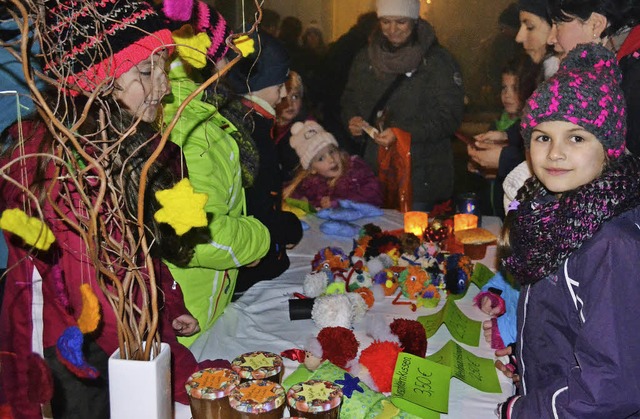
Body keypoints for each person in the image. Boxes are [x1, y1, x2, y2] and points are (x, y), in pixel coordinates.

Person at [0, 1, 217, 416]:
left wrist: (168, 307)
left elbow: (134, 257)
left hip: (116, 345)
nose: (166, 87)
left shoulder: (127, 150)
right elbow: (104, 299)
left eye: (164, 69)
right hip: (75, 360)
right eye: (147, 72)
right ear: (96, 78)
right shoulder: (68, 174)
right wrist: (172, 363)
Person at [495, 43, 640, 417]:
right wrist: (527, 356)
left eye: (576, 138)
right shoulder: (554, 214)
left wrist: (526, 410)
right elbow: (569, 321)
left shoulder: (611, 245)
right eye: (543, 137)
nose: (554, 153)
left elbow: (612, 383)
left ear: (609, 149)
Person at [160, 1, 271, 346]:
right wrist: (259, 239)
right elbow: (198, 237)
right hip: (188, 324)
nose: (230, 62)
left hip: (203, 308)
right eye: (224, 51)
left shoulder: (198, 112)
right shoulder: (190, 130)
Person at [341, 0, 464, 211]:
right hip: (373, 173)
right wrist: (351, 119)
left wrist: (403, 134)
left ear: (414, 21)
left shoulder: (437, 62)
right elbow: (350, 97)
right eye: (385, 22)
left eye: (401, 22)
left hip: (420, 174)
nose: (392, 30)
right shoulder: (366, 57)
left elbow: (449, 116)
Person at [227, 32, 303, 297]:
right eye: (278, 84)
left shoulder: (250, 122)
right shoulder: (252, 132)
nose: (283, 94)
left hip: (260, 260)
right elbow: (255, 204)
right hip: (254, 273)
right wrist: (287, 228)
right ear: (257, 84)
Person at [468, 0, 556, 214]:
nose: (519, 37)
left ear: (555, 27)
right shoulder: (546, 74)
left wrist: (503, 158)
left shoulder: (565, 82)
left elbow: (556, 154)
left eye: (530, 26)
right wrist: (508, 136)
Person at [546, 0, 640, 154]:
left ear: (596, 25)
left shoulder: (633, 78)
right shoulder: (620, 69)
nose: (551, 39)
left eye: (558, 24)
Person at [283, 120, 383, 209]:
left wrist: (339, 202)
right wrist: (304, 202)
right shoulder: (312, 182)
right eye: (321, 158)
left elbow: (374, 193)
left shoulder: (355, 169)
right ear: (312, 169)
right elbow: (290, 192)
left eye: (332, 151)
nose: (331, 159)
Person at [275, 71, 314, 181]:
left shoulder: (309, 128)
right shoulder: (263, 124)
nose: (290, 104)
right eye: (284, 98)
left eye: (295, 97)